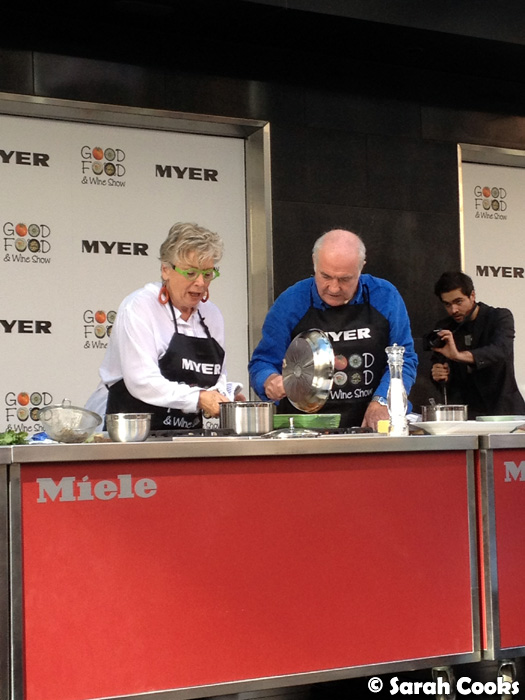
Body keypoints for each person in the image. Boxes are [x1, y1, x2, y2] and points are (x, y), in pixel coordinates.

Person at [248, 229, 418, 429]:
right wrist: (269, 380)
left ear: (361, 268)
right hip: (306, 429)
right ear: (314, 262)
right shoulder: (290, 303)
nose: (334, 288)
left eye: (345, 279)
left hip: (369, 426)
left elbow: (404, 358)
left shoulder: (384, 296)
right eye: (325, 276)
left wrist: (383, 401)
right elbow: (262, 363)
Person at [96, 222, 241, 431]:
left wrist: (223, 396)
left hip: (188, 435)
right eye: (190, 273)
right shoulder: (139, 307)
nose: (201, 282)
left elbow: (218, 376)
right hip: (132, 435)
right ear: (166, 270)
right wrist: (200, 398)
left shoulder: (212, 315)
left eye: (208, 274)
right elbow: (142, 381)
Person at [429, 271, 525, 419]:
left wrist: (459, 356)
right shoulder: (445, 327)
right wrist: (438, 374)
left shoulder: (499, 317)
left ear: (472, 295)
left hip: (504, 411)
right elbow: (440, 371)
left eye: (458, 302)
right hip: (466, 414)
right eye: (447, 304)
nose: (454, 310)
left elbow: (500, 350)